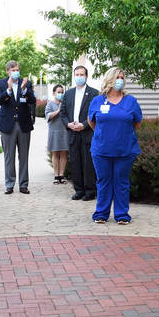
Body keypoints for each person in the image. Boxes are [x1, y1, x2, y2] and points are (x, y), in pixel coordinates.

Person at [87, 67, 142, 224]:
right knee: (103, 181)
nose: (120, 80)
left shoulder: (130, 101)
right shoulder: (97, 101)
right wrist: (104, 134)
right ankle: (101, 214)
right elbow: (92, 122)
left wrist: (123, 133)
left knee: (121, 182)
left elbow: (137, 122)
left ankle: (122, 215)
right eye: (117, 77)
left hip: (125, 150)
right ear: (109, 79)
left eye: (122, 77)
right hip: (101, 150)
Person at [0, 60, 36, 194]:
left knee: (24, 156)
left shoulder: (27, 84)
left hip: (23, 124)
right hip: (8, 125)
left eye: (17, 70)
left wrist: (24, 89)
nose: (16, 72)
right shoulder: (1, 83)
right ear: (8, 71)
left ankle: (23, 184)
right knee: (9, 156)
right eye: (13, 70)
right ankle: (9, 184)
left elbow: (33, 100)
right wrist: (9, 89)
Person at [59, 65, 99, 201]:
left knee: (88, 163)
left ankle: (90, 191)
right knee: (75, 162)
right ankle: (79, 190)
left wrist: (84, 125)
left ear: (86, 76)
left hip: (86, 133)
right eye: (77, 74)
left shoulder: (94, 93)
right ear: (74, 76)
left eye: (82, 74)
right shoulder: (68, 93)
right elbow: (63, 113)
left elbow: (95, 114)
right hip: (72, 133)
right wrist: (68, 124)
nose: (79, 77)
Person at [45, 84, 69, 184]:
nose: (60, 94)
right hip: (54, 131)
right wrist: (58, 110)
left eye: (62, 92)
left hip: (64, 131)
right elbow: (48, 116)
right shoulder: (50, 104)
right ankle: (56, 175)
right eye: (58, 92)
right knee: (55, 153)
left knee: (64, 153)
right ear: (54, 93)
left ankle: (61, 175)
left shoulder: (66, 103)